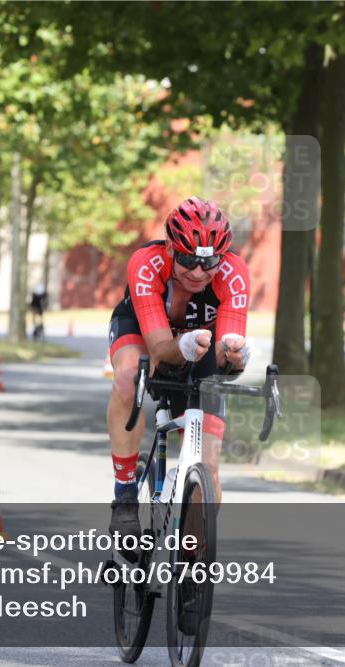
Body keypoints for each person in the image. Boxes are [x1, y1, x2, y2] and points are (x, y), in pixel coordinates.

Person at [107, 196, 251, 539]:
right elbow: (159, 349)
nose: (199, 273)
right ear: (171, 249)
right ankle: (125, 496)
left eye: (210, 262)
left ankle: (192, 559)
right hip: (144, 330)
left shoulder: (234, 274)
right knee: (129, 375)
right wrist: (183, 346)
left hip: (200, 343)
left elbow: (223, 353)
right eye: (189, 261)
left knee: (209, 472)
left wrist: (233, 356)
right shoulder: (146, 263)